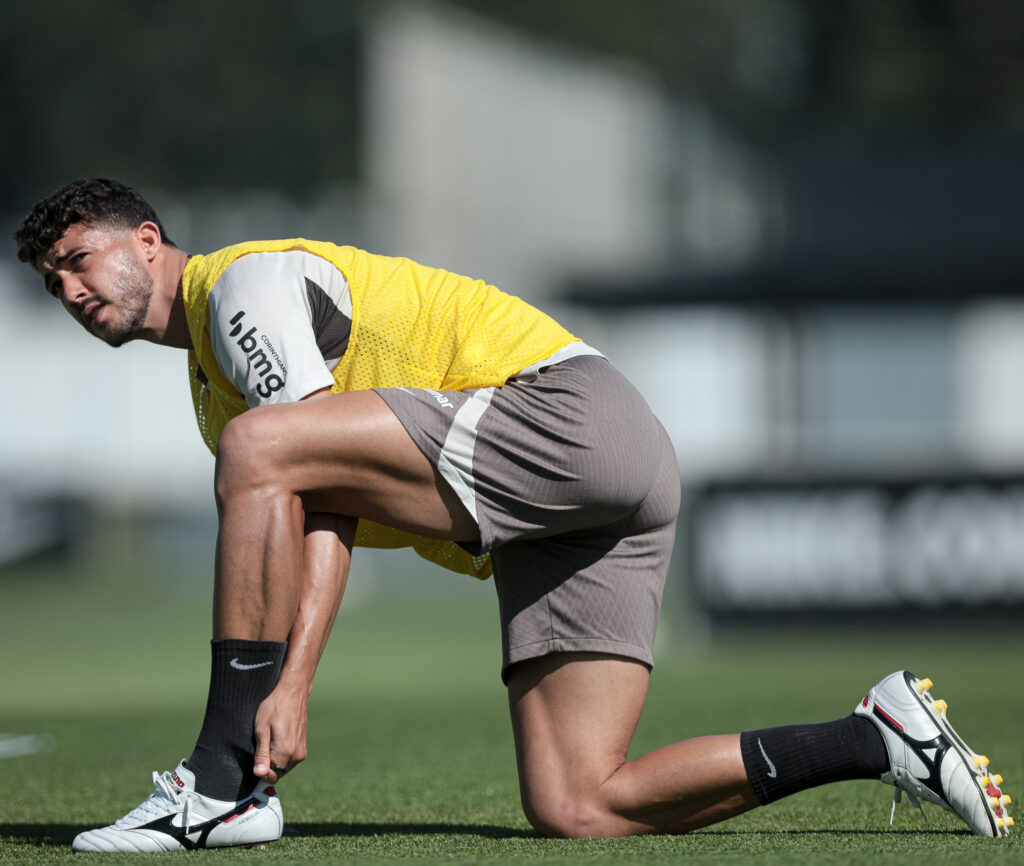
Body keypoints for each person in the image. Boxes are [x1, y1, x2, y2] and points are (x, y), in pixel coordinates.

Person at [14, 178, 1012, 852]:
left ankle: (217, 775)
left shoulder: (241, 286)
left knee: (261, 448)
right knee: (579, 799)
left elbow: (295, 463)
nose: (71, 287)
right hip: (578, 504)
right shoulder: (211, 387)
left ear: (147, 240)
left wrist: (285, 695)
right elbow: (325, 496)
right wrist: (295, 680)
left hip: (571, 418)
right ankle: (876, 734)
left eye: (81, 258)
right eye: (53, 280)